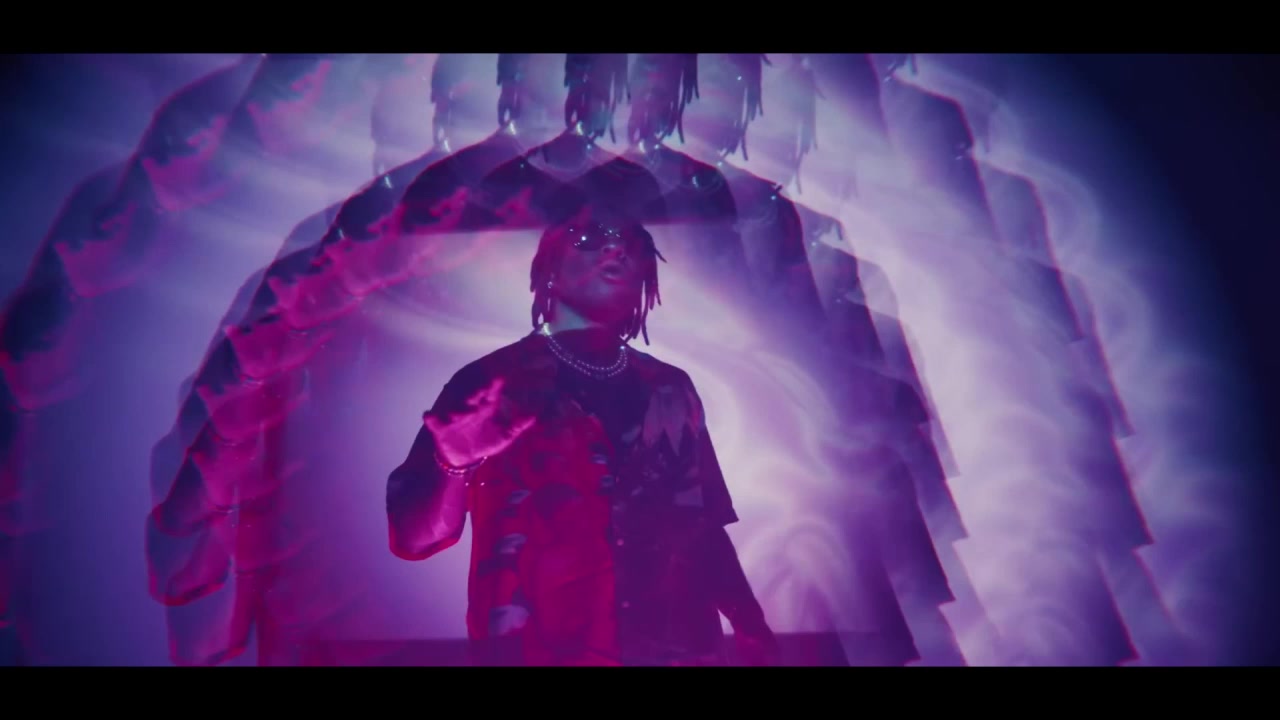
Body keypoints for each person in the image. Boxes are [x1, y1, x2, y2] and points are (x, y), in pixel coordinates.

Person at [385, 201, 779, 666]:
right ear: (550, 268)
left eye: (631, 244)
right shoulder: (489, 384)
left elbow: (702, 525)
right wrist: (454, 464)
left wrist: (750, 622)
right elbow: (414, 539)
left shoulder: (672, 388)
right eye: (589, 238)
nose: (615, 249)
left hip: (677, 650)